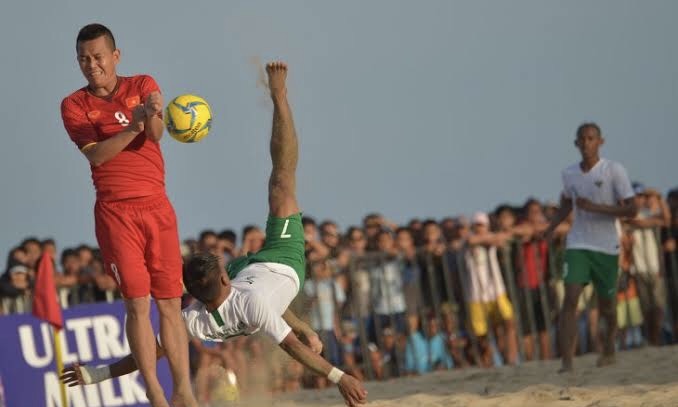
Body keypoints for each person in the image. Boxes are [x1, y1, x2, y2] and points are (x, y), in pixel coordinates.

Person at [62, 62, 367, 407]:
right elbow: (292, 347)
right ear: (223, 278)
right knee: (281, 183)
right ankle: (280, 96)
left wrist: (97, 374)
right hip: (283, 262)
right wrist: (340, 377)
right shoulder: (227, 310)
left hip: (250, 274)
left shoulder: (195, 319)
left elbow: (149, 352)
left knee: (261, 302)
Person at [60, 23, 194, 407]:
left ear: (115, 56)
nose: (92, 65)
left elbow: (155, 135)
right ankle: (154, 390)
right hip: (116, 212)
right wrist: (133, 124)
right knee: (137, 303)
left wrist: (152, 114)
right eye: (84, 58)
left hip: (157, 205)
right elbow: (96, 155)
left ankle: (183, 389)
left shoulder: (142, 83)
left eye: (98, 56)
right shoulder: (74, 104)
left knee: (170, 301)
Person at [544, 122, 637, 372]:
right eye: (582, 139)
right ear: (576, 144)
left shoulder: (614, 170)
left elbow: (632, 208)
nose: (586, 143)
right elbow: (566, 203)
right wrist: (551, 227)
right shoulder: (569, 174)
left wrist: (596, 208)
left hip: (606, 247)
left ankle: (608, 348)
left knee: (607, 307)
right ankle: (567, 361)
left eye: (591, 138)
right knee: (570, 298)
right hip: (578, 243)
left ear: (600, 142)